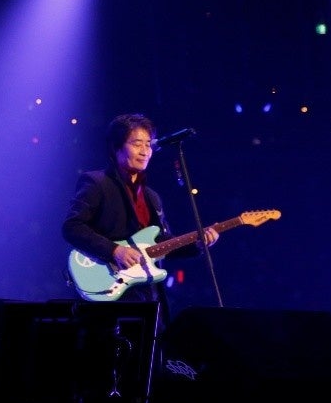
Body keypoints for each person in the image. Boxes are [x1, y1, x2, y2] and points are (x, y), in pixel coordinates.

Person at [61, 113, 218, 321]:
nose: (145, 151)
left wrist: (196, 244)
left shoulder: (152, 197)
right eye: (137, 144)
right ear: (116, 147)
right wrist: (115, 250)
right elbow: (72, 227)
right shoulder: (97, 182)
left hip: (147, 294)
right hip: (108, 290)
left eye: (148, 145)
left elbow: (162, 244)